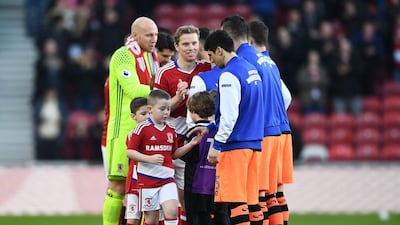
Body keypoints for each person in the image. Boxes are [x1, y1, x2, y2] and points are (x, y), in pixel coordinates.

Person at [189, 29, 264, 225]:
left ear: (220, 50)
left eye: (212, 55)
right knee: (252, 202)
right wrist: (212, 126)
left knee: (236, 202)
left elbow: (231, 115)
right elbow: (246, 108)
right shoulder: (250, 69)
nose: (212, 62)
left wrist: (217, 145)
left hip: (236, 146)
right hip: (254, 143)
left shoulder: (229, 75)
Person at [221, 15, 283, 225]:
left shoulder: (242, 62)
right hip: (277, 130)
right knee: (269, 194)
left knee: (248, 198)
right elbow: (287, 97)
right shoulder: (266, 60)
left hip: (256, 134)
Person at [153, 24, 211, 225]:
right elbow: (156, 111)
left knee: (200, 196)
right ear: (177, 46)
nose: (191, 48)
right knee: (180, 196)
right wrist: (177, 99)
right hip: (174, 138)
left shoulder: (206, 67)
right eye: (185, 44)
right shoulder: (165, 73)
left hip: (201, 137)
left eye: (194, 43)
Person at [103, 16, 159, 225]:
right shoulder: (123, 56)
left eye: (155, 34)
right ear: (134, 36)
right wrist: (162, 91)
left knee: (144, 185)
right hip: (122, 131)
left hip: (144, 130)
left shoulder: (149, 57)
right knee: (117, 186)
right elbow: (134, 90)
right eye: (149, 35)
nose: (154, 39)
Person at [126, 89, 202, 225]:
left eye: (168, 109)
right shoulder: (142, 128)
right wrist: (149, 159)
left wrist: (191, 144)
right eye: (162, 109)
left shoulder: (171, 129)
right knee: (152, 220)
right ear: (150, 109)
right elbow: (130, 152)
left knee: (172, 211)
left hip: (167, 178)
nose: (166, 112)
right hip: (147, 181)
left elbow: (173, 154)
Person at [249, 19, 294, 225]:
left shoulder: (252, 62)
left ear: (248, 40)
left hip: (266, 131)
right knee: (275, 191)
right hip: (282, 130)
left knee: (259, 193)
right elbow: (287, 97)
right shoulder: (271, 63)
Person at [183, 91, 229, 225]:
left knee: (196, 220)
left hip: (196, 187)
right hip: (217, 186)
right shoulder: (221, 132)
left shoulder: (194, 133)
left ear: (192, 111)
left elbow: (186, 156)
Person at [125, 97, 150, 225]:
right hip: (135, 183)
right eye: (143, 114)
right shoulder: (132, 135)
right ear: (133, 116)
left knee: (150, 218)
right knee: (133, 219)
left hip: (151, 182)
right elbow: (131, 163)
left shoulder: (157, 132)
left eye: (149, 113)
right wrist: (127, 190)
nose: (147, 117)